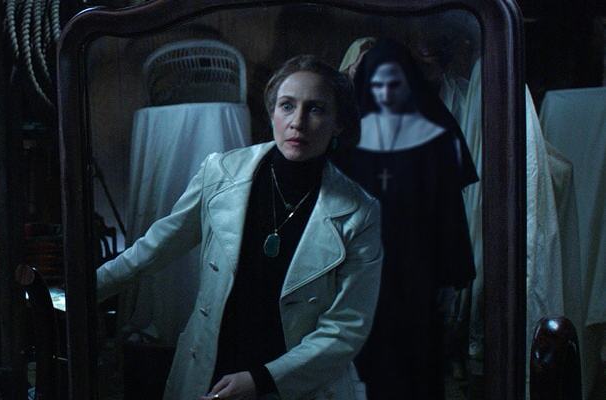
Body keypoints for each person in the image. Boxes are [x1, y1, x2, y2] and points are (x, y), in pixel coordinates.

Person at [96, 55, 382, 400]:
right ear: (272, 112)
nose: (297, 122)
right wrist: (87, 289)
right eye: (287, 106)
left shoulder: (359, 212)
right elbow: (154, 248)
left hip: (296, 385)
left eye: (316, 109)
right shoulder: (221, 173)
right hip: (210, 369)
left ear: (338, 123)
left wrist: (261, 380)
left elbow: (345, 329)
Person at [334, 39, 477, 400]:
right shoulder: (344, 139)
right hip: (359, 268)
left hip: (417, 269)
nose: (385, 92)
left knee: (415, 363)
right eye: (377, 84)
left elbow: (450, 211)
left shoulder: (434, 134)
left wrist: (451, 275)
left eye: (394, 83)